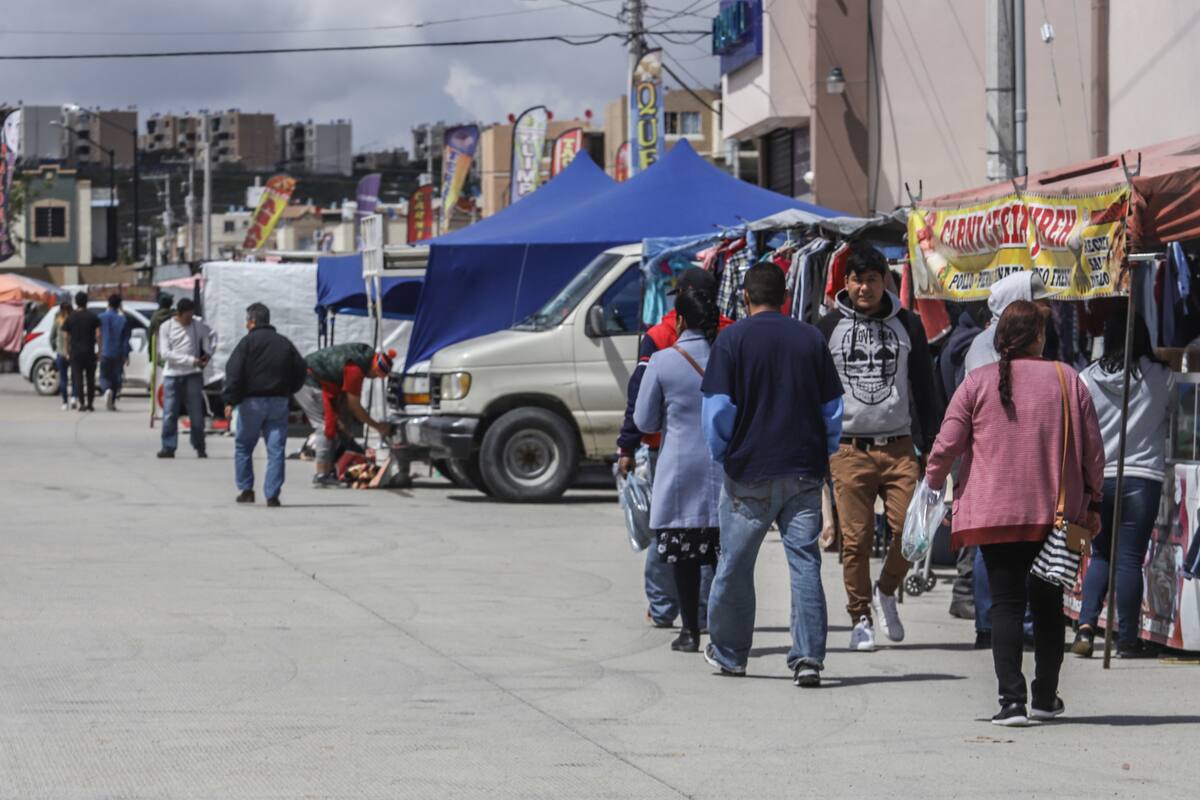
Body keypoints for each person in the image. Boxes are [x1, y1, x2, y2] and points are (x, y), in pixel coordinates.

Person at [925, 300, 1104, 726]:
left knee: (1005, 605)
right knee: (1048, 606)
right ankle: (1045, 697)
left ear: (999, 338)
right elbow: (1093, 452)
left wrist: (932, 483)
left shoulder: (977, 382)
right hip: (1054, 516)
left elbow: (946, 444)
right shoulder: (1067, 379)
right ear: (1040, 336)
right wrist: (1094, 500)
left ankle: (1011, 702)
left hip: (994, 513)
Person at [700, 262, 844, 687]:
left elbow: (717, 411)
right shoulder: (810, 338)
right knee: (804, 563)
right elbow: (832, 409)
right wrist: (824, 450)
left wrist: (724, 453)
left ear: (745, 296)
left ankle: (730, 654)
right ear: (785, 297)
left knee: (735, 563)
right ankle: (808, 658)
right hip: (803, 470)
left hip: (749, 470)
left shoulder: (731, 340)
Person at [816, 244, 941, 652]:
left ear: (884, 280)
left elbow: (924, 387)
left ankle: (885, 590)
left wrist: (933, 444)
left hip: (899, 448)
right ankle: (861, 617)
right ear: (846, 282)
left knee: (912, 534)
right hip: (848, 450)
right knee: (855, 542)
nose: (864, 288)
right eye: (857, 280)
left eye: (872, 279)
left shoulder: (909, 324)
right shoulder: (828, 327)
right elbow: (816, 391)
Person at [618, 268, 729, 631]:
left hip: (672, 455)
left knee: (672, 536)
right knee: (714, 538)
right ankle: (708, 613)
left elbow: (641, 409)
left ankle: (666, 609)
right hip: (722, 457)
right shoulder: (731, 339)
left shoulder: (659, 339)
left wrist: (627, 444)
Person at [1075, 312, 1174, 658]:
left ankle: (1086, 626)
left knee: (1100, 555)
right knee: (1130, 559)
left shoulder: (1086, 378)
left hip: (1100, 477)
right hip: (1143, 478)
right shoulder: (1162, 376)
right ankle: (1127, 639)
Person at [964, 271, 1051, 649]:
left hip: (1011, 462)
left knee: (1001, 549)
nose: (1048, 307)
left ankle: (1002, 623)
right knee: (996, 551)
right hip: (1000, 462)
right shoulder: (988, 345)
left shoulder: (1002, 342)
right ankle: (995, 624)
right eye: (1039, 300)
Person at [222, 303, 308, 507]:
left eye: (247, 321)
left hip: (252, 403)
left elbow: (234, 372)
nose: (245, 325)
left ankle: (246, 490)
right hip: (279, 402)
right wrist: (289, 390)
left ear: (253, 321)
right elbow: (301, 369)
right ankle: (272, 495)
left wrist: (230, 400)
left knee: (244, 447)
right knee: (276, 450)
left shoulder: (247, 343)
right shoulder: (284, 343)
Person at [295, 342, 395, 487]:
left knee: (336, 424)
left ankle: (332, 467)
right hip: (308, 381)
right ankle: (322, 474)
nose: (374, 378)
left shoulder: (361, 358)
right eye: (376, 375)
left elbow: (344, 398)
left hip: (314, 379)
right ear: (375, 368)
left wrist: (343, 423)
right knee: (326, 426)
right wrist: (377, 426)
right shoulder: (355, 370)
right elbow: (354, 406)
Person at [157, 298, 214, 459]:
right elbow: (165, 353)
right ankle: (168, 447)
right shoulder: (166, 327)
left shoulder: (197, 324)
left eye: (191, 315)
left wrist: (208, 353)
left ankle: (199, 446)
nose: (189, 320)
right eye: (187, 317)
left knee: (196, 413)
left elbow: (211, 335)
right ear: (179, 314)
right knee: (170, 413)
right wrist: (190, 360)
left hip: (193, 375)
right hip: (172, 375)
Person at [60, 291, 101, 412]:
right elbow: (98, 335)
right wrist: (99, 350)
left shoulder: (70, 318)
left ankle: (82, 403)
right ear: (86, 302)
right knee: (90, 379)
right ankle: (90, 403)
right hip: (89, 352)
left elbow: (66, 336)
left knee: (78, 378)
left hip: (75, 353)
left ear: (76, 302)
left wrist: (66, 351)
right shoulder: (93, 317)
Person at [98, 294, 132, 411]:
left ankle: (106, 389)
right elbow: (126, 339)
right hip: (118, 352)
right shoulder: (123, 319)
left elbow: (97, 334)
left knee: (104, 375)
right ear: (119, 305)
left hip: (105, 351)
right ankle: (112, 402)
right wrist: (126, 355)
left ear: (108, 304)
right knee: (116, 377)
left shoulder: (101, 317)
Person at [48, 301, 73, 410]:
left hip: (61, 353)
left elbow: (51, 338)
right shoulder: (73, 321)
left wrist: (56, 348)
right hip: (73, 353)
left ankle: (65, 402)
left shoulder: (58, 321)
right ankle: (74, 398)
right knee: (75, 376)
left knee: (63, 378)